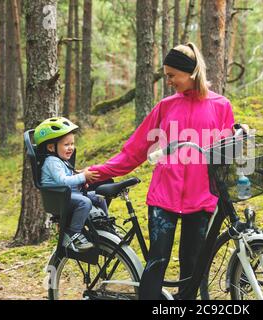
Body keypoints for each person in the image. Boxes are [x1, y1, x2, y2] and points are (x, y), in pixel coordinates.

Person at [89, 42, 238, 300]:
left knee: (193, 268)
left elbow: (226, 155)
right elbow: (134, 151)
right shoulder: (166, 106)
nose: (168, 80)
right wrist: (98, 171)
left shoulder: (221, 106)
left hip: (202, 199)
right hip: (164, 198)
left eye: (172, 75)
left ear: (190, 72)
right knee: (156, 264)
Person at [35, 117, 105, 252]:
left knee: (99, 197)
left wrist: (82, 174)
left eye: (72, 144)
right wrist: (82, 176)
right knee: (84, 202)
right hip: (58, 198)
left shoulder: (61, 159)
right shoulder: (52, 161)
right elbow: (63, 181)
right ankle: (72, 234)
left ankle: (104, 228)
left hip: (69, 194)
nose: (71, 148)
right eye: (66, 145)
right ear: (51, 147)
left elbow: (69, 175)